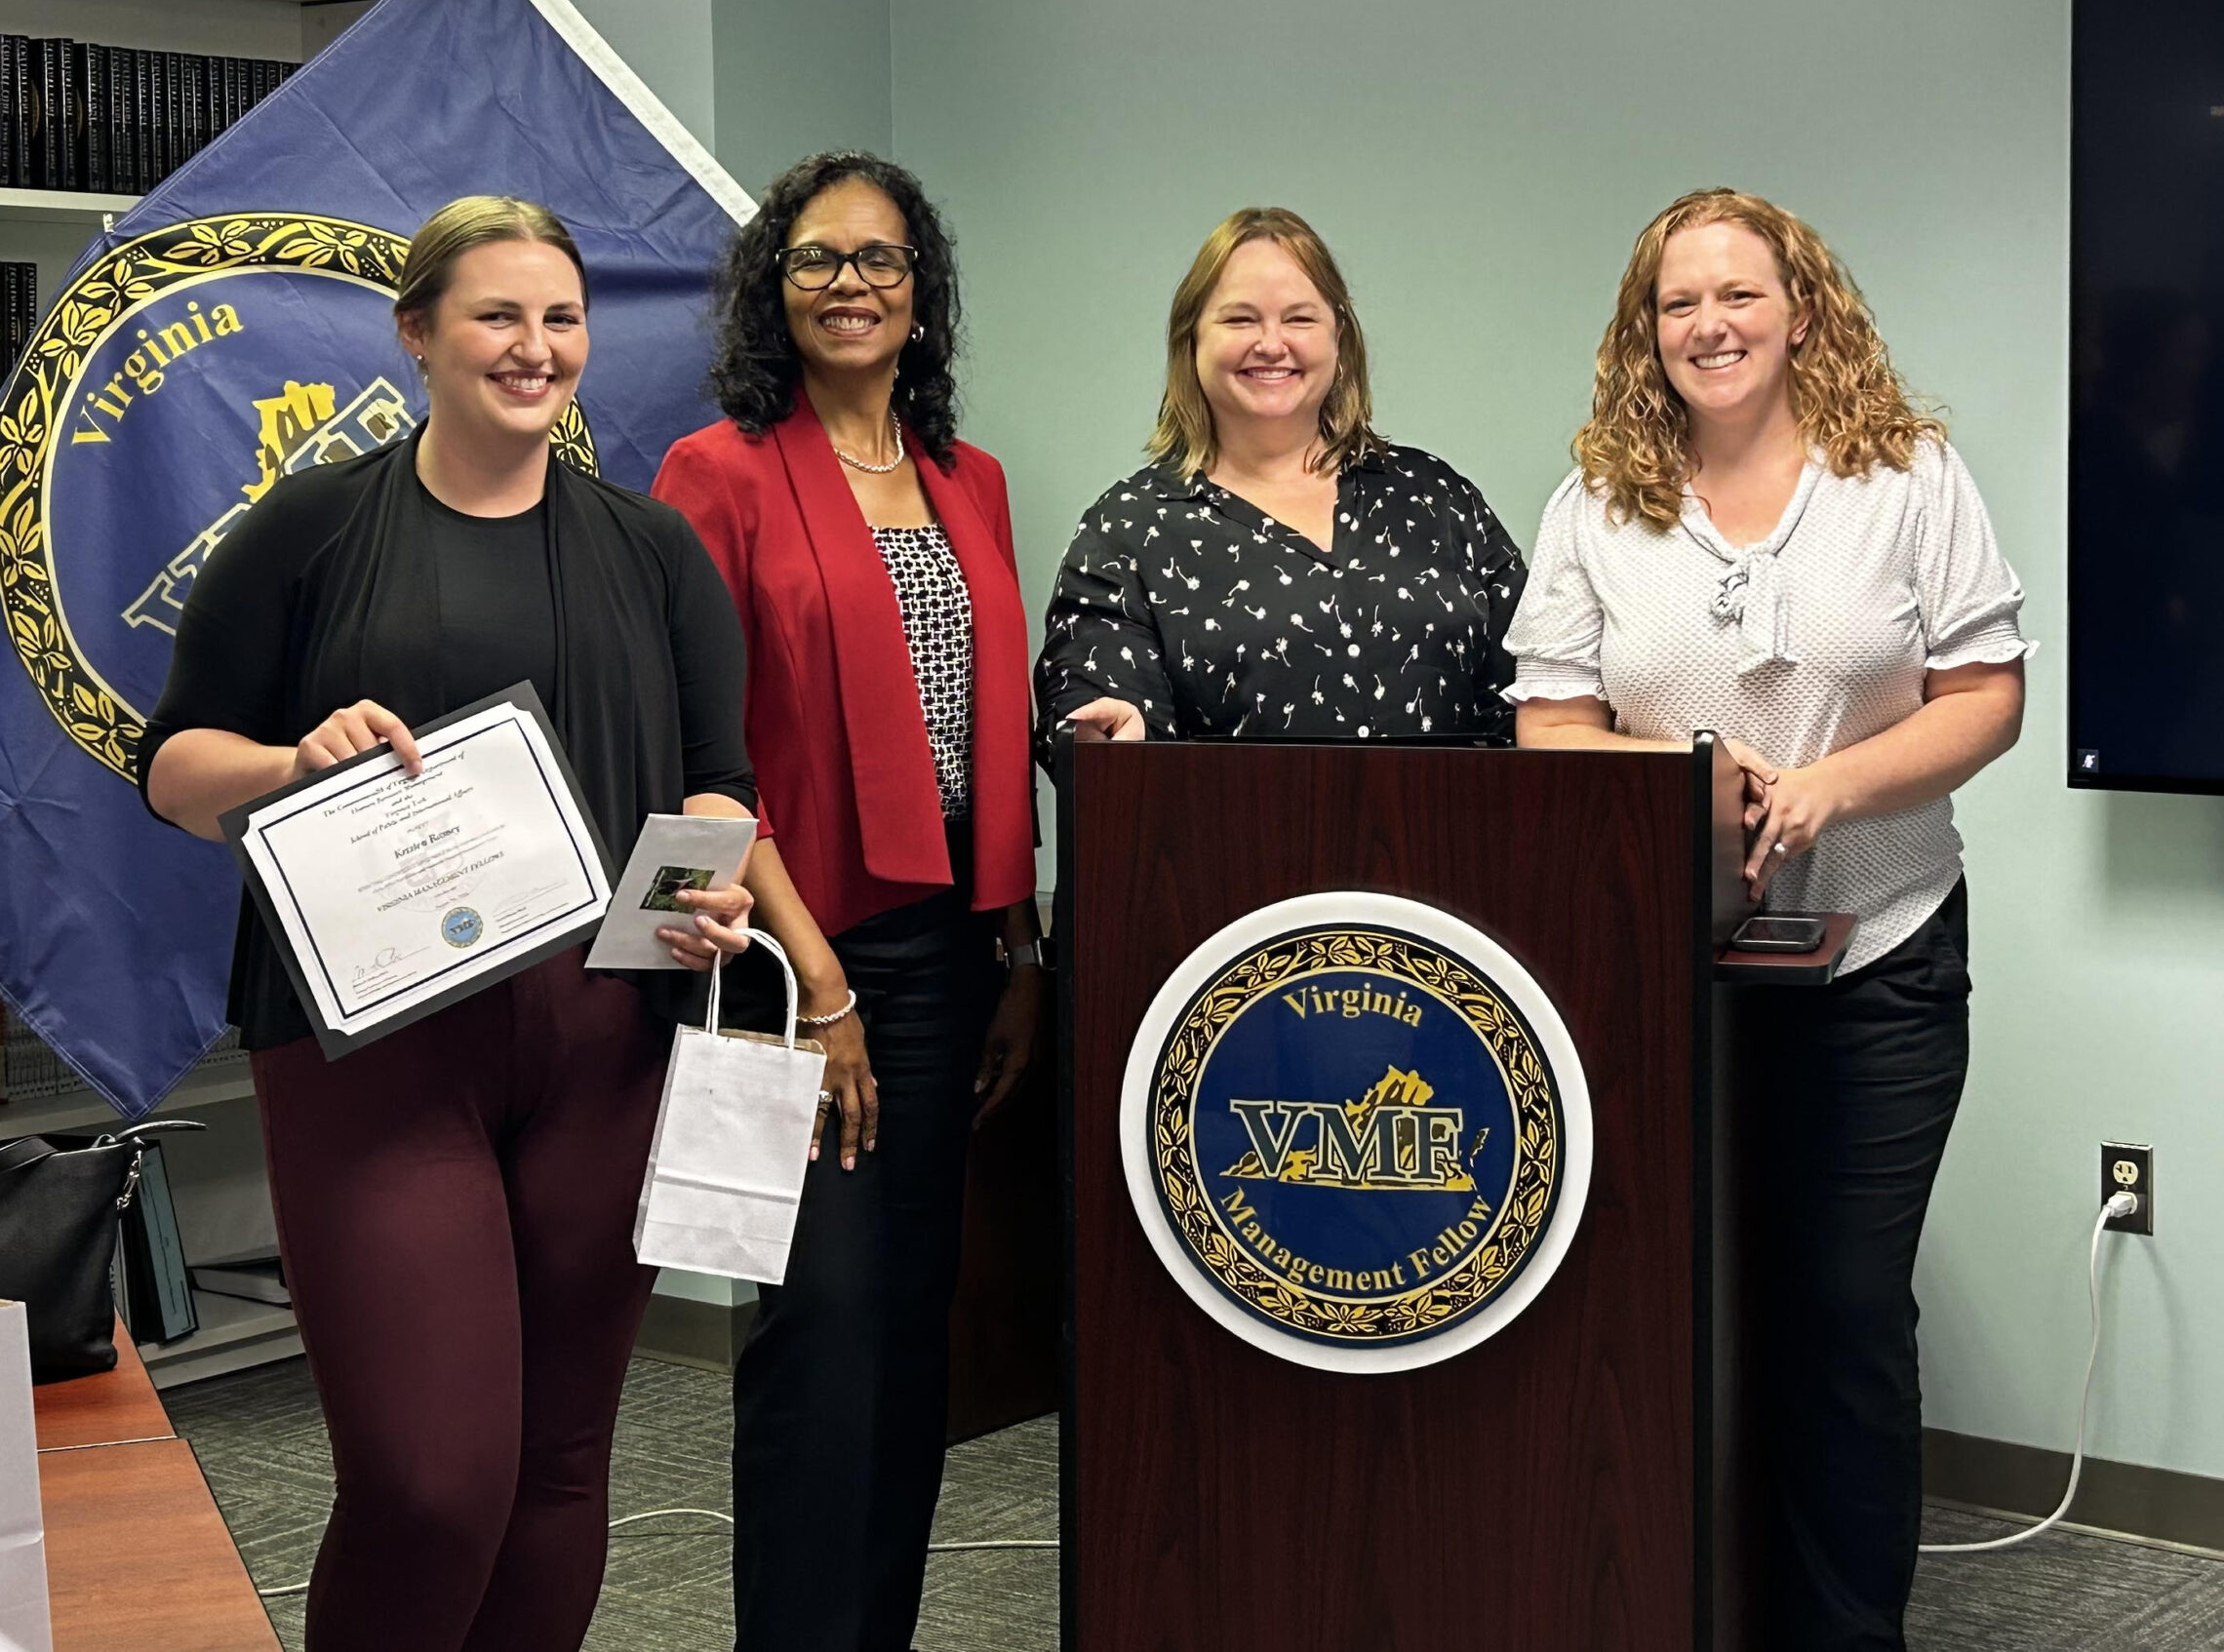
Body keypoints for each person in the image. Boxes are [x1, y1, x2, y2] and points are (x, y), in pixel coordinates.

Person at [139, 196, 758, 1652]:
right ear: (416, 333)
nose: (533, 348)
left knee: (556, 1467)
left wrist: (696, 900)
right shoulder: (309, 528)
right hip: (372, 1056)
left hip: (606, 1042)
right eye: (496, 315)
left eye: (560, 318)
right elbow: (175, 770)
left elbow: (718, 784)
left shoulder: (654, 549)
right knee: (430, 1481)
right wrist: (292, 764)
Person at [1504, 186, 2029, 1652]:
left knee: (1846, 1312)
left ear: (1801, 309)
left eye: (1739, 294)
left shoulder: (1903, 471)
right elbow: (1549, 725)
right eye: (1679, 302)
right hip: (1669, 975)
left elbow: (1989, 693)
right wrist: (1689, 778)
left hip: (1882, 949)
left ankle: (1846, 1631)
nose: (1710, 324)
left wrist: (1829, 789)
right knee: (1673, 1307)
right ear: (1645, 329)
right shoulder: (1598, 497)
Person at [652, 152, 1043, 1652]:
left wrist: (1015, 951)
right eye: (818, 260)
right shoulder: (719, 472)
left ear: (921, 290)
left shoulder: (970, 478)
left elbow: (986, 733)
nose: (852, 286)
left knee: (911, 1349)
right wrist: (824, 990)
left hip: (950, 959)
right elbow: (703, 756)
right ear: (775, 286)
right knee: (820, 1337)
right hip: (786, 964)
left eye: (881, 261)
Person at [1035, 205, 1523, 746]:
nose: (1271, 344)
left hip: (1455, 829)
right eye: (1240, 319)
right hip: (1229, 832)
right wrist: (1106, 733)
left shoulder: (1436, 497)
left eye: (1299, 318)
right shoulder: (1127, 530)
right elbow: (1094, 704)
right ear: (1191, 340)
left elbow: (1538, 689)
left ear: (1340, 337)